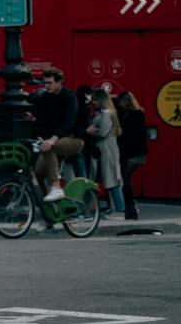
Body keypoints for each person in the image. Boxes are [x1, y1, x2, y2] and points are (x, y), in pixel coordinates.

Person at [28, 67, 82, 202]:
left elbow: (69, 122)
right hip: (53, 140)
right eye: (45, 83)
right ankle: (50, 208)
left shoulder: (70, 96)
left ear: (59, 82)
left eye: (49, 83)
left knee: (48, 146)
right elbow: (43, 119)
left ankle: (57, 187)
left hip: (73, 139)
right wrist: (33, 119)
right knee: (38, 174)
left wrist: (53, 139)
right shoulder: (46, 97)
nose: (46, 86)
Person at [86, 87, 124, 217]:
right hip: (105, 148)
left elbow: (102, 132)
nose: (92, 103)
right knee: (109, 178)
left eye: (95, 100)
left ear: (101, 100)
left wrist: (90, 130)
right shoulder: (105, 113)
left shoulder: (106, 113)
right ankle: (114, 207)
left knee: (112, 179)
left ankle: (119, 208)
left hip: (107, 148)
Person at [117, 89, 149, 220]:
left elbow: (132, 133)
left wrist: (122, 131)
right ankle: (130, 206)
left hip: (133, 152)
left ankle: (130, 206)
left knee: (124, 179)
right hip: (131, 152)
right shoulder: (125, 113)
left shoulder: (136, 114)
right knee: (125, 179)